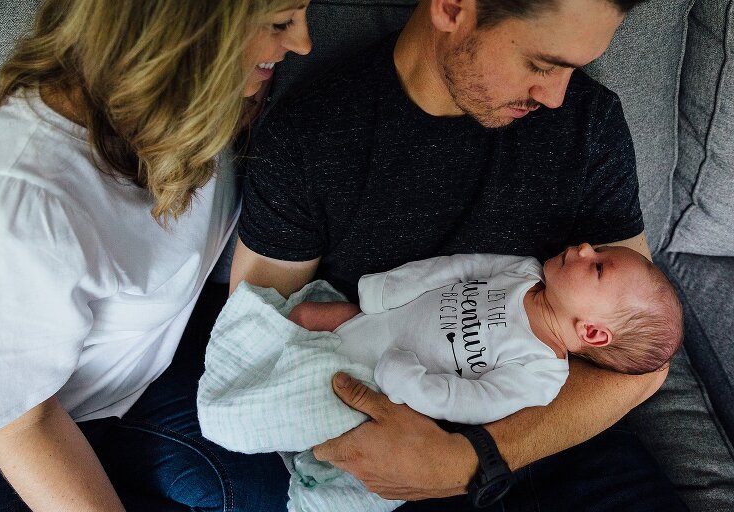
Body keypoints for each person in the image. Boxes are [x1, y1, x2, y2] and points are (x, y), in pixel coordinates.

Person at [229, 0, 689, 510]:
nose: (557, 96)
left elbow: (641, 364)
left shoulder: (588, 124)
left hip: (566, 447)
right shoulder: (310, 136)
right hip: (392, 461)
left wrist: (473, 458)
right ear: (452, 8)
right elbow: (258, 342)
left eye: (572, 69)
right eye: (541, 65)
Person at [0, 0, 311, 510]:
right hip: (12, 436)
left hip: (132, 383)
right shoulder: (21, 203)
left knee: (294, 494)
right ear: (188, 33)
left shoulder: (196, 103)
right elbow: (22, 427)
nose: (304, 44)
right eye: (281, 23)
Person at [200, 244, 683, 512]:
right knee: (303, 314)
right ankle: (244, 376)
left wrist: (407, 381)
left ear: (592, 333)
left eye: (596, 266)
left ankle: (302, 460)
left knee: (334, 430)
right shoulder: (523, 272)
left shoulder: (542, 375)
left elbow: (468, 401)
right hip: (372, 321)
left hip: (383, 382)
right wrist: (383, 293)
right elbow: (457, 269)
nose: (582, 247)